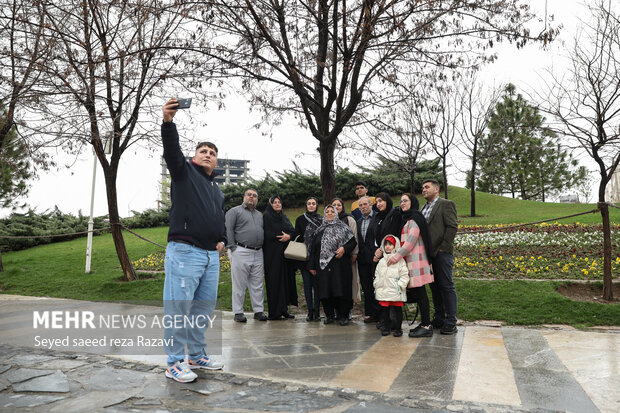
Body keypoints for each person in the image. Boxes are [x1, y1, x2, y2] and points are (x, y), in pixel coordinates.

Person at [160, 98, 225, 383]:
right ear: (195, 156)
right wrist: (168, 122)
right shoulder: (184, 172)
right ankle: (174, 362)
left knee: (202, 310)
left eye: (212, 152)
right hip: (184, 252)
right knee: (179, 309)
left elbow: (218, 218)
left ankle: (196, 355)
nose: (207, 154)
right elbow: (172, 152)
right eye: (203, 150)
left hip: (211, 256)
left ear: (216, 160)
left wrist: (222, 239)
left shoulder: (216, 189)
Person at [386, 193, 434, 338]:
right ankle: (425, 323)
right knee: (420, 295)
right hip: (412, 263)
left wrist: (396, 257)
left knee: (421, 294)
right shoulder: (407, 219)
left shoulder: (414, 219)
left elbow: (410, 243)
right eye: (401, 201)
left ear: (412, 202)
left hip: (417, 263)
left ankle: (426, 326)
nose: (402, 203)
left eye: (405, 201)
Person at [308, 205, 357, 325]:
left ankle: (343, 316)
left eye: (332, 212)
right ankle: (329, 316)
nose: (330, 214)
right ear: (324, 214)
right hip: (323, 267)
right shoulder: (319, 230)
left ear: (336, 214)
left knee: (341, 289)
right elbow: (314, 250)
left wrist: (344, 249)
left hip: (340, 265)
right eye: (327, 212)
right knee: (325, 290)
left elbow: (352, 242)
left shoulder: (343, 228)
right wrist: (312, 266)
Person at [421, 179, 458, 335]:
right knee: (434, 287)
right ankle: (439, 317)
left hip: (442, 254)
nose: (423, 190)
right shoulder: (423, 208)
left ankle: (451, 321)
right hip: (428, 255)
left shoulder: (445, 204)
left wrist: (444, 247)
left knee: (446, 287)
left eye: (427, 187)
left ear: (436, 189)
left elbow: (452, 226)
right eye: (422, 188)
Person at [225, 189, 268, 323]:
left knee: (257, 284)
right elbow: (228, 229)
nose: (252, 197)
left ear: (257, 199)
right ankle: (238, 312)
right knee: (239, 284)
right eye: (249, 195)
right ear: (244, 197)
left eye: (255, 196)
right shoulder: (234, 211)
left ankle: (258, 311)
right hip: (240, 250)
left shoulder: (259, 215)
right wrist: (232, 248)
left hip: (258, 252)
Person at [262, 195, 298, 320]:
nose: (277, 204)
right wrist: (279, 236)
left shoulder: (284, 217)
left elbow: (293, 231)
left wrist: (288, 236)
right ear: (271, 205)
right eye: (275, 202)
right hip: (272, 255)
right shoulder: (267, 216)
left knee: (285, 281)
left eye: (279, 202)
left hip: (285, 255)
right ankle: (274, 312)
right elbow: (266, 233)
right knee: (274, 282)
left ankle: (284, 310)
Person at [293, 197, 323, 322]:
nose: (311, 206)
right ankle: (309, 311)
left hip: (318, 258)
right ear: (306, 205)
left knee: (317, 286)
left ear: (316, 205)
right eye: (309, 204)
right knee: (307, 285)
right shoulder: (300, 219)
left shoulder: (322, 219)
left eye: (313, 203)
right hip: (304, 257)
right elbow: (296, 236)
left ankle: (317, 311)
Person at [331, 198, 360, 324]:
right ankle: (337, 311)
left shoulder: (349, 219)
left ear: (342, 206)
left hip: (346, 258)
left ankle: (346, 311)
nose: (336, 207)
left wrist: (354, 253)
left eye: (339, 205)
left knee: (346, 285)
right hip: (331, 261)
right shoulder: (328, 220)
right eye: (334, 205)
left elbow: (354, 238)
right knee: (334, 286)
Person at [374, 235, 409, 337]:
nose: (388, 247)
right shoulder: (381, 261)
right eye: (386, 245)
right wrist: (376, 284)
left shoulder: (400, 261)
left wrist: (400, 285)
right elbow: (377, 274)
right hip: (384, 290)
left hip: (395, 290)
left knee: (398, 310)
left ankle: (398, 328)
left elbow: (404, 275)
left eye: (390, 244)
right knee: (385, 310)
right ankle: (386, 327)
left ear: (395, 246)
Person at [355, 196, 380, 323]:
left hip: (376, 258)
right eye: (361, 205)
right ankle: (371, 314)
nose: (363, 207)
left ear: (371, 205)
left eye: (365, 204)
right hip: (362, 259)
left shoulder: (377, 218)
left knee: (378, 286)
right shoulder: (358, 222)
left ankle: (381, 314)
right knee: (367, 287)